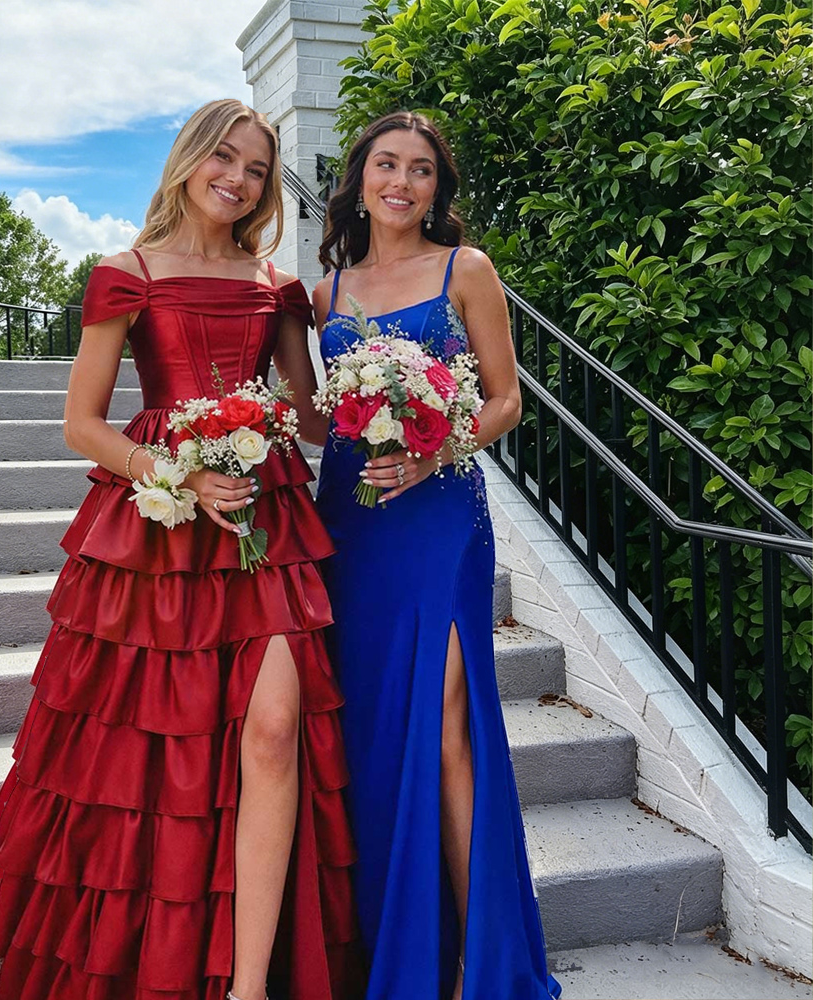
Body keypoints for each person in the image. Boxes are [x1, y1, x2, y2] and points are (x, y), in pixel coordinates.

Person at [0, 99, 361, 1000]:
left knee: (275, 730)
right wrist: (180, 474)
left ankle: (249, 988)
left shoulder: (275, 285)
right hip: (158, 527)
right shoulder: (126, 274)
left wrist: (389, 382)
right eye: (223, 158)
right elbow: (82, 425)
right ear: (190, 159)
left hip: (265, 520)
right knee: (157, 747)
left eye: (258, 169)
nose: (237, 178)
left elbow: (309, 422)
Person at [312, 110, 562, 1000]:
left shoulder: (469, 270)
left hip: (442, 516)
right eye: (387, 164)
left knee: (450, 727)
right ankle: (400, 951)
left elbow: (505, 401)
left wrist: (435, 446)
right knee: (374, 732)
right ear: (361, 177)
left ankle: (480, 971)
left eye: (421, 170)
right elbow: (317, 418)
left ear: (436, 189)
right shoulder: (328, 290)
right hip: (353, 521)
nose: (402, 183)